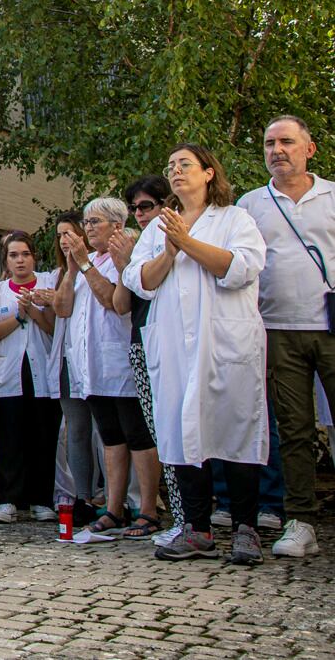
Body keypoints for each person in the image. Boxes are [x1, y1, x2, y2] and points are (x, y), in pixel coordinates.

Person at [123, 143, 269, 564]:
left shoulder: (234, 218)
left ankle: (245, 528)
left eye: (184, 164)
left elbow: (239, 267)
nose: (176, 171)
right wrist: (169, 249)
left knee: (235, 428)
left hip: (225, 343)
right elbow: (141, 281)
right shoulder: (157, 229)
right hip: (173, 345)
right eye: (170, 166)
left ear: (208, 172)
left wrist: (185, 242)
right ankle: (197, 529)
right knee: (182, 430)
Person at [238, 115, 334, 558]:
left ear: (309, 149)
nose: (277, 150)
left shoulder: (333, 196)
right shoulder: (251, 204)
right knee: (293, 430)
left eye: (287, 142)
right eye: (269, 143)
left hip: (331, 327)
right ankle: (301, 521)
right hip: (277, 330)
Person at [56, 197, 161, 540]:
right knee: (111, 438)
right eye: (85, 222)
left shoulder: (124, 255)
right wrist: (75, 269)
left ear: (117, 225)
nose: (87, 229)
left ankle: (147, 509)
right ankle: (114, 508)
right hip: (94, 366)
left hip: (121, 362)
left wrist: (85, 265)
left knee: (137, 435)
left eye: (94, 222)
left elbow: (114, 302)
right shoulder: (90, 260)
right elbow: (66, 308)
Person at [110, 176, 188, 543]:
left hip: (175, 339)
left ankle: (184, 511)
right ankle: (177, 511)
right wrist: (125, 265)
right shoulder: (136, 247)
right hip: (142, 341)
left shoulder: (170, 237)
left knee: (179, 428)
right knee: (161, 430)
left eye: (147, 207)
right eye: (135, 209)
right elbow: (122, 303)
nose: (140, 215)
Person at [0, 233, 60, 523]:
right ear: (7, 260)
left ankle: (41, 499)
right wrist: (18, 317)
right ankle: (9, 500)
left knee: (42, 436)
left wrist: (35, 312)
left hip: (41, 372)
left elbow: (54, 328)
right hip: (8, 372)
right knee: (9, 438)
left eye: (25, 254)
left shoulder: (49, 285)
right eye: (14, 255)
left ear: (34, 257)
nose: (20, 260)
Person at [49, 212, 99, 521]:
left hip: (98, 358)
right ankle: (83, 497)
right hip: (69, 359)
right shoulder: (61, 273)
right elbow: (63, 308)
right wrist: (69, 271)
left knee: (108, 432)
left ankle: (123, 496)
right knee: (77, 430)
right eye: (59, 235)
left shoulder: (102, 262)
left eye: (70, 233)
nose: (65, 240)